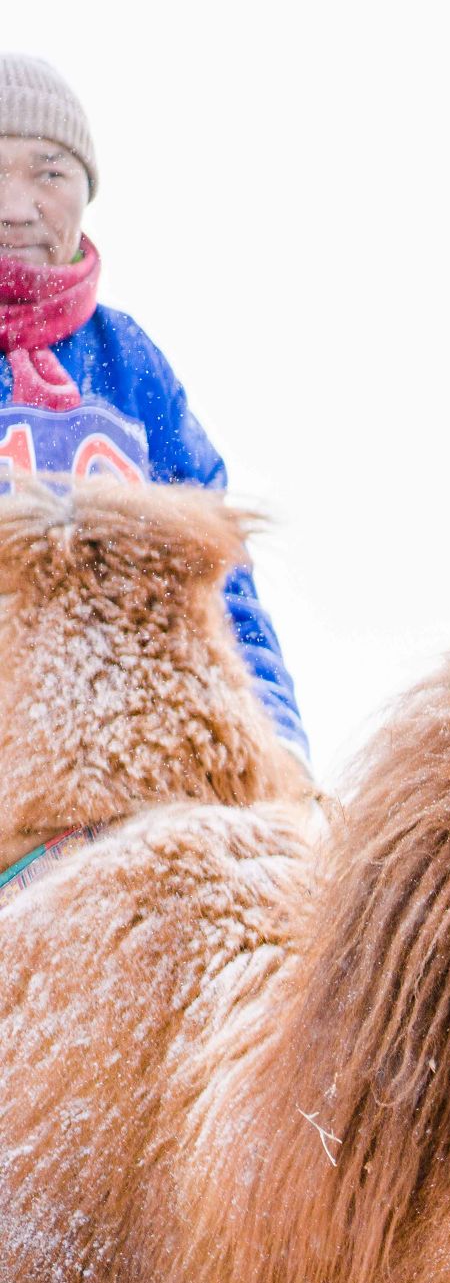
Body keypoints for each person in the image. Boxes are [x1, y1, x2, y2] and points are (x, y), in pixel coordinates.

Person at [0, 56, 305, 761]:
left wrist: (278, 747)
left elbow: (220, 580)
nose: (17, 207)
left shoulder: (131, 366)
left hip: (125, 758)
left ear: (86, 191)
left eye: (49, 173)